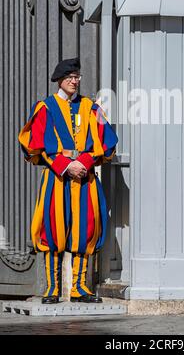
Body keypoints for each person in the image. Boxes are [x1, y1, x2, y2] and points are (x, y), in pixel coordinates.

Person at [18, 58, 118, 304]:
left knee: (85, 229)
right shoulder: (45, 108)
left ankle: (80, 288)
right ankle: (52, 289)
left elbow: (107, 141)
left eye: (77, 76)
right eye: (70, 77)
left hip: (85, 178)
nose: (75, 81)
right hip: (56, 178)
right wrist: (65, 165)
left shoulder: (92, 108)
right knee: (53, 229)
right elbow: (35, 145)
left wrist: (83, 163)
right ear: (59, 80)